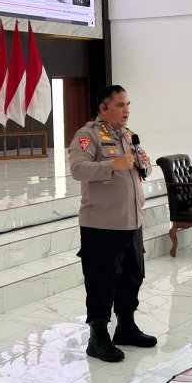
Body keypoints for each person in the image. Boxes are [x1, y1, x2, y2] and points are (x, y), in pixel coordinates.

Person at [69, 85, 157, 363]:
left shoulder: (128, 136)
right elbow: (77, 169)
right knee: (102, 281)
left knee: (132, 276)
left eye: (128, 104)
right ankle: (97, 338)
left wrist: (144, 164)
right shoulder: (88, 135)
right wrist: (111, 165)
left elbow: (143, 167)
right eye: (120, 105)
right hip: (102, 225)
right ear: (103, 108)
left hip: (132, 221)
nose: (126, 110)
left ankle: (126, 327)